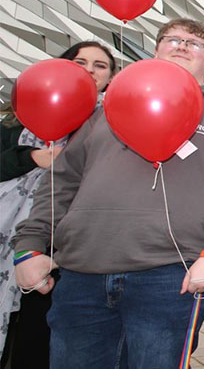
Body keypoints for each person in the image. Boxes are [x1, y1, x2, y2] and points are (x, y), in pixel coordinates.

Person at [13, 19, 204, 368]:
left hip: (171, 276)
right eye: (172, 39)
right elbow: (62, 181)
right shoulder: (105, 108)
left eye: (194, 43)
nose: (181, 45)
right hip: (82, 273)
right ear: (156, 48)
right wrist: (30, 246)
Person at [1, 41, 116, 368]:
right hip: (8, 238)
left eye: (100, 65)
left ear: (109, 79)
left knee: (40, 339)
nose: (89, 71)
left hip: (66, 250)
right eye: (80, 61)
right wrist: (34, 157)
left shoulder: (111, 124)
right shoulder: (19, 121)